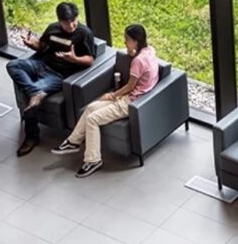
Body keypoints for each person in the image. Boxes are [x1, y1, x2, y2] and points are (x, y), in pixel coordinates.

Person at [51, 24, 160, 178]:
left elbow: (130, 86)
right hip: (132, 97)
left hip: (130, 101)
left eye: (127, 39)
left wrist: (113, 95)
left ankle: (93, 160)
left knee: (93, 119)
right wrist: (130, 51)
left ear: (135, 41)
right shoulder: (149, 51)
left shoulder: (138, 62)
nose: (124, 41)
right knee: (91, 107)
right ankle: (73, 141)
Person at [7, 2, 96, 157]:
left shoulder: (84, 33)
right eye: (67, 22)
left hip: (58, 75)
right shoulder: (53, 29)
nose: (72, 25)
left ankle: (32, 136)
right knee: (13, 65)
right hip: (41, 64)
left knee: (30, 98)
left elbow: (89, 60)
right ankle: (34, 91)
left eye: (74, 20)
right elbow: (42, 47)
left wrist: (74, 59)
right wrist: (32, 44)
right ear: (60, 21)